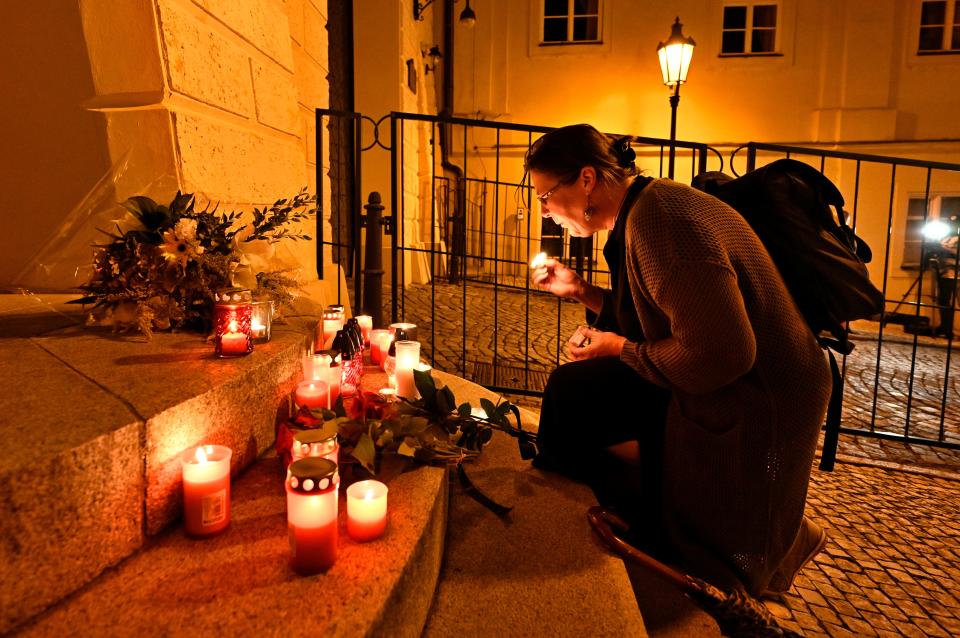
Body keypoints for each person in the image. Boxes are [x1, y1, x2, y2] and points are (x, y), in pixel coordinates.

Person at [526, 124, 832, 598]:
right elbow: (665, 317)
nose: (544, 210)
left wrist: (617, 349)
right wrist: (582, 291)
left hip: (757, 394)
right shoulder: (641, 210)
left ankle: (702, 534)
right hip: (727, 373)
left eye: (546, 194)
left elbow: (722, 353)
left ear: (586, 179)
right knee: (575, 393)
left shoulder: (659, 220)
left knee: (576, 401)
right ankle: (639, 512)